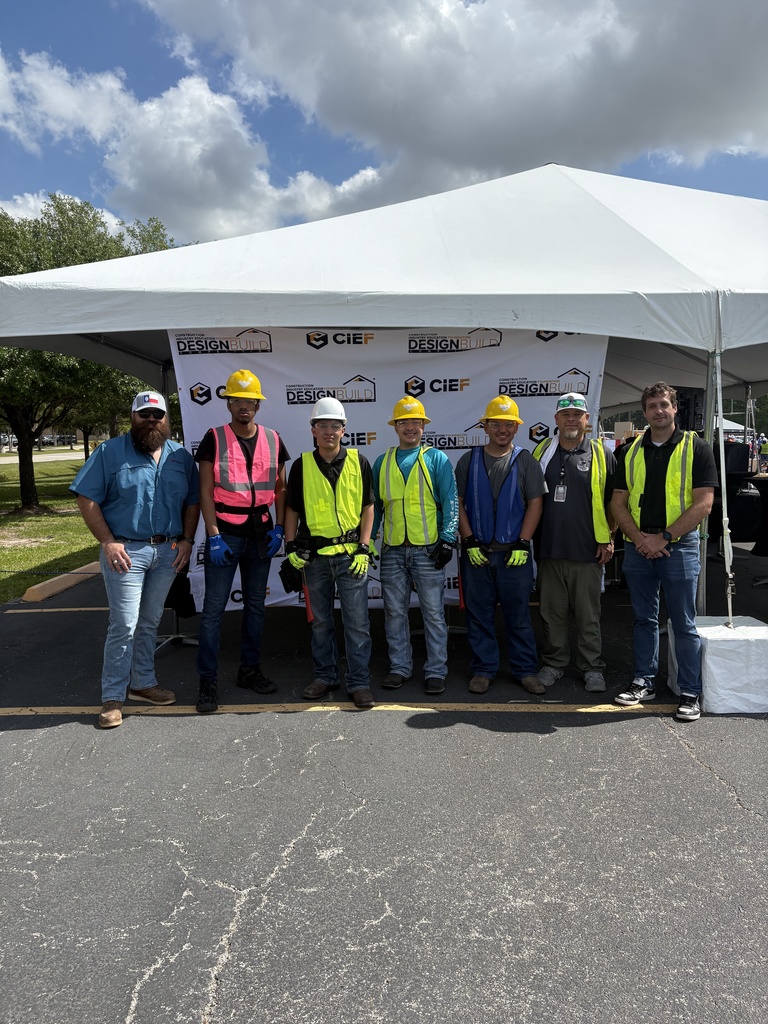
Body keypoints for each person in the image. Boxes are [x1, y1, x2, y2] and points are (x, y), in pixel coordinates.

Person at [70, 390, 200, 729]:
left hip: (167, 551)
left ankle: (143, 683)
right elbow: (86, 498)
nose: (151, 420)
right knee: (124, 624)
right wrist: (108, 542)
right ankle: (113, 698)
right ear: (133, 416)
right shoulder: (109, 452)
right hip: (125, 552)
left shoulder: (179, 456)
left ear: (167, 419)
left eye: (158, 415)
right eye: (144, 414)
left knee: (150, 621)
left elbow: (192, 501)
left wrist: (187, 540)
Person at [610, 382, 717, 722]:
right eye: (652, 406)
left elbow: (704, 503)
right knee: (643, 619)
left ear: (675, 408)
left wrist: (665, 538)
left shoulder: (697, 447)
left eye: (664, 405)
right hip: (638, 545)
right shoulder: (629, 451)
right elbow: (618, 502)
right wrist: (640, 539)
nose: (658, 410)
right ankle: (644, 681)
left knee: (683, 622)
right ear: (644, 412)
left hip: (679, 546)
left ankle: (689, 691)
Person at [194, 369, 290, 714]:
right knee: (213, 611)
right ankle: (207, 681)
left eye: (250, 400)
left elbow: (280, 488)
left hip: (261, 534)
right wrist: (213, 535)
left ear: (258, 405)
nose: (244, 406)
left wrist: (279, 528)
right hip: (226, 534)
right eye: (237, 400)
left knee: (255, 607)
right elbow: (205, 490)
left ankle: (249, 671)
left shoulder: (273, 439)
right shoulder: (214, 438)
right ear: (229, 403)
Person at [284, 398, 376, 710]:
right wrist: (290, 546)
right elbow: (292, 509)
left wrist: (364, 546)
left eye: (334, 425)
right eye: (322, 425)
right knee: (321, 622)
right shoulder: (301, 465)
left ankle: (359, 682)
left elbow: (368, 507)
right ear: (313, 430)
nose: (328, 431)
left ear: (343, 430)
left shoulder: (359, 462)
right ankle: (325, 677)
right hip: (315, 557)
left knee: (357, 623)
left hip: (351, 556)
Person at [456, 396, 546, 696]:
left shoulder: (526, 461)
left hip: (513, 555)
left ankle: (525, 670)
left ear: (517, 427)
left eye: (508, 424)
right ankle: (483, 670)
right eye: (496, 424)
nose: (502, 430)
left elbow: (535, 503)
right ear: (485, 426)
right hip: (477, 554)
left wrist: (523, 542)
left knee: (518, 615)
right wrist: (468, 540)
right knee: (479, 615)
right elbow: (458, 503)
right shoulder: (468, 460)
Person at [372, 397, 458, 695]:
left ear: (423, 426)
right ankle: (399, 667)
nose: (410, 427)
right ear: (395, 427)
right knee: (394, 613)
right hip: (393, 550)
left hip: (427, 549)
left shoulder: (437, 459)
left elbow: (450, 500)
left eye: (416, 422)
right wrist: (368, 542)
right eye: (404, 422)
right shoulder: (382, 462)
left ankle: (436, 671)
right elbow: (375, 508)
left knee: (433, 613)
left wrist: (447, 539)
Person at [532, 393, 616, 692]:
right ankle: (554, 664)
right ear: (556, 419)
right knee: (551, 614)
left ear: (586, 420)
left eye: (576, 415)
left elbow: (614, 501)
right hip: (549, 549)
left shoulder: (601, 453)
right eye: (565, 414)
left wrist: (609, 538)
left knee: (588, 616)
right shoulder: (541, 451)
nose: (571, 420)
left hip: (587, 550)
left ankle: (591, 667)